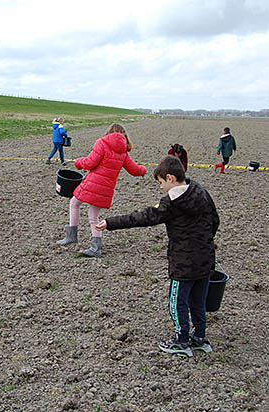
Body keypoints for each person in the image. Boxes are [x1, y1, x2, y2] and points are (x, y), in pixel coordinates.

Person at [95, 156, 219, 357]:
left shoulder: (172, 203)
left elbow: (143, 217)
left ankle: (182, 341)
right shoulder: (201, 192)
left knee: (177, 302)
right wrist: (203, 243)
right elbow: (215, 220)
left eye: (161, 182)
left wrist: (110, 223)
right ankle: (200, 339)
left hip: (183, 264)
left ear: (170, 178)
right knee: (198, 301)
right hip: (205, 259)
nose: (161, 187)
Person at [57, 123, 146, 257]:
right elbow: (134, 170)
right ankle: (96, 247)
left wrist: (78, 162)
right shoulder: (123, 152)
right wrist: (143, 170)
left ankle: (71, 236)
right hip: (106, 189)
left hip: (92, 184)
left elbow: (89, 163)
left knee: (74, 203)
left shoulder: (102, 143)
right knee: (94, 217)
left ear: (109, 132)